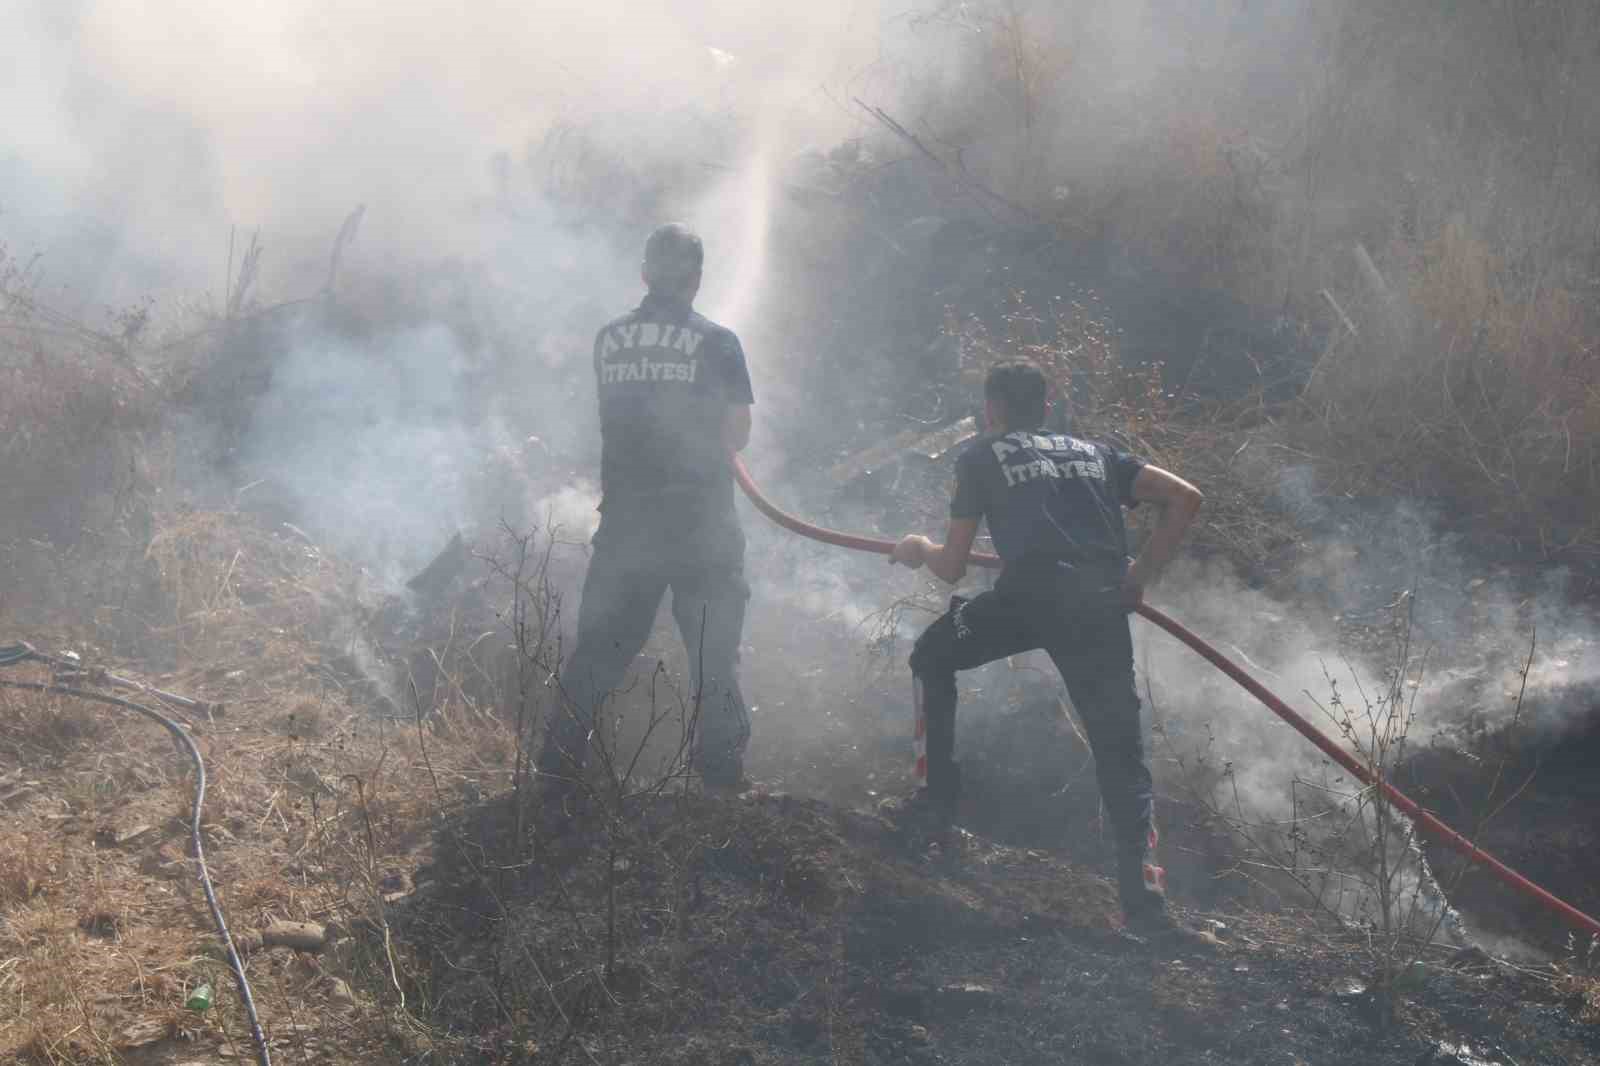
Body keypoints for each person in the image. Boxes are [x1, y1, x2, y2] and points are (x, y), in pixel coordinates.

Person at [888, 360, 1202, 934]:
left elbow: (953, 567)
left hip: (1028, 600)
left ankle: (934, 808)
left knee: (931, 655)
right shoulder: (1096, 453)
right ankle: (1146, 906)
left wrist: (918, 547)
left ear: (992, 410)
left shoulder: (981, 455)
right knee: (1119, 749)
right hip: (1098, 608)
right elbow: (1186, 498)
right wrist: (1138, 577)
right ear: (1045, 407)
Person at [540, 223, 755, 800]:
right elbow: (739, 432)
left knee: (599, 651)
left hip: (628, 522)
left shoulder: (608, 339)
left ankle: (555, 777)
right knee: (714, 657)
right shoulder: (719, 341)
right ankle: (720, 786)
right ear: (697, 278)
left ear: (643, 276)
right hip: (700, 526)